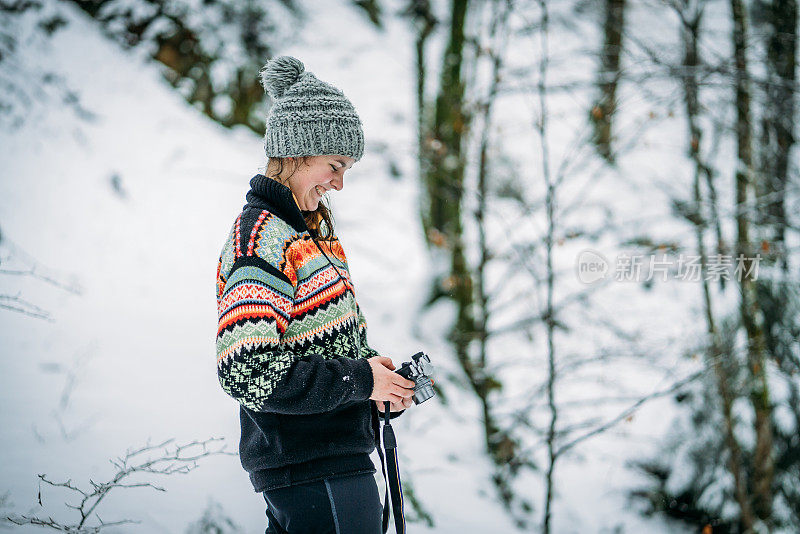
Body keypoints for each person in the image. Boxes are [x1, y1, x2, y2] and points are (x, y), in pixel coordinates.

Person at [215, 55, 416, 534]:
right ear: (297, 151)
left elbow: (320, 345)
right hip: (314, 471)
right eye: (335, 165)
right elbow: (245, 370)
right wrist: (358, 382)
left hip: (329, 462)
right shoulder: (263, 238)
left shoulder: (307, 233)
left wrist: (377, 382)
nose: (340, 183)